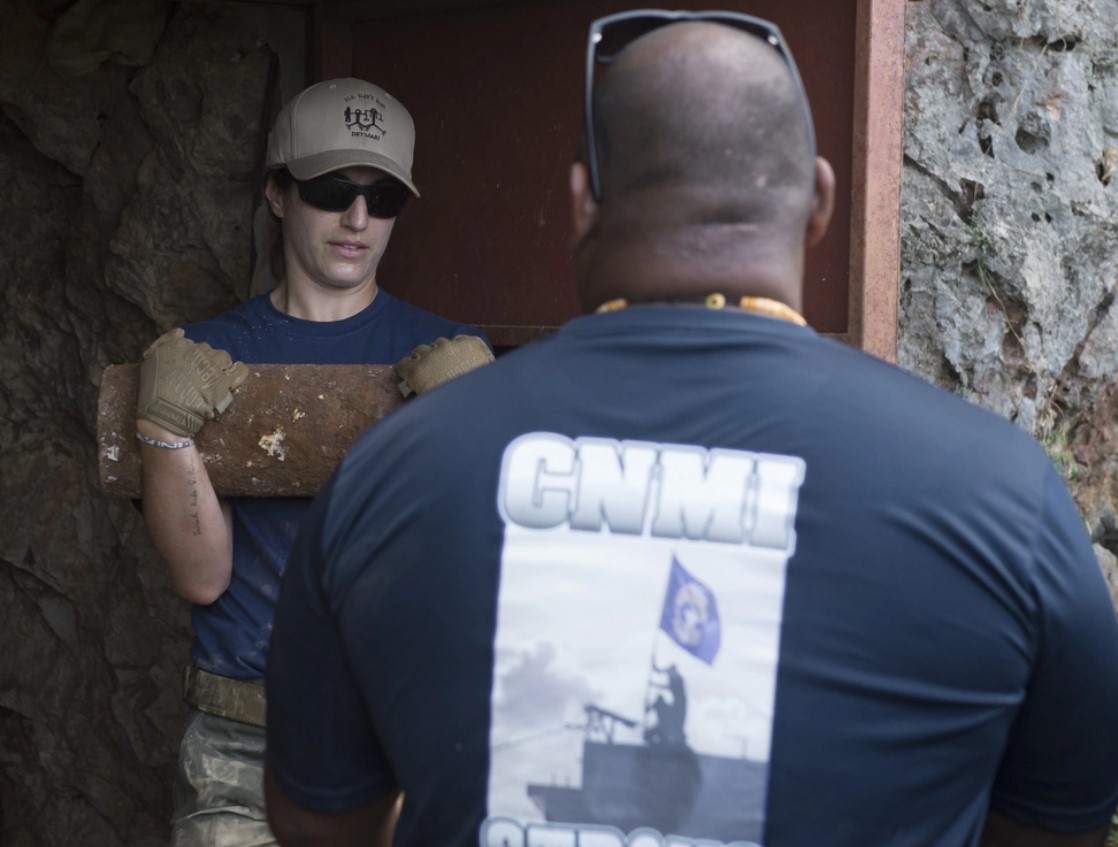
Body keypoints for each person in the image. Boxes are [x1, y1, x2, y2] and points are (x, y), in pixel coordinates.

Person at [263, 13, 1118, 847]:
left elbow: (316, 817)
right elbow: (1061, 822)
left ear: (581, 203)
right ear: (820, 203)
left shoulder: (389, 474)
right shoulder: (1005, 496)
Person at [134, 77, 489, 846]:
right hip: (240, 744)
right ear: (277, 192)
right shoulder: (207, 359)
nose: (358, 219)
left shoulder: (447, 356)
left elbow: (477, 571)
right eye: (331, 190)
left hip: (404, 734)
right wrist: (163, 428)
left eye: (382, 198)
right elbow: (203, 576)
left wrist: (476, 431)